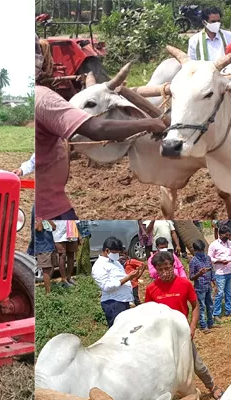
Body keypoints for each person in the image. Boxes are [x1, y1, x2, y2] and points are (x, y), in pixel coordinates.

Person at [34, 33, 167, 220]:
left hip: (42, 202)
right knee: (71, 241)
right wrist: (150, 123)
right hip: (52, 209)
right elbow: (96, 128)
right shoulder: (44, 98)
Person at [145, 251, 224, 400]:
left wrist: (192, 326)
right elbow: (148, 313)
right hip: (160, 337)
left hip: (182, 334)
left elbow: (195, 305)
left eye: (167, 268)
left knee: (196, 364)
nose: (164, 272)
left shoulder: (184, 284)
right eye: (160, 269)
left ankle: (212, 386)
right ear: (156, 270)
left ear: (173, 266)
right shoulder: (151, 289)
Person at [91, 236, 143, 327]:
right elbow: (107, 287)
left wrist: (133, 276)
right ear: (107, 251)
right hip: (113, 303)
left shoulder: (115, 262)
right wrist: (128, 277)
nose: (117, 255)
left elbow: (121, 279)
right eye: (115, 253)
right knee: (118, 331)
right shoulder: (99, 266)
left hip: (123, 300)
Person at [209, 225, 231, 319]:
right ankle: (216, 313)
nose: (228, 236)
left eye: (229, 235)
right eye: (226, 235)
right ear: (220, 234)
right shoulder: (214, 245)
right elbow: (210, 258)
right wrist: (219, 261)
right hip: (220, 272)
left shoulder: (230, 244)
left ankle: (228, 310)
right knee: (220, 293)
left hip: (230, 271)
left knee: (229, 293)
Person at [189, 240, 216, 333]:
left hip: (208, 285)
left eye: (202, 250)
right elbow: (191, 277)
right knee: (201, 306)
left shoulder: (207, 258)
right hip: (199, 287)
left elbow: (211, 270)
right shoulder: (193, 261)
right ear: (195, 251)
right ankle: (203, 325)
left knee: (210, 305)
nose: (201, 253)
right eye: (199, 251)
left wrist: (214, 282)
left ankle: (210, 322)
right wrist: (199, 274)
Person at [33, 207, 58, 295]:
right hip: (43, 248)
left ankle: (48, 286)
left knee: (52, 267)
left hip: (50, 246)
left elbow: (54, 227)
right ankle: (48, 292)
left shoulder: (47, 218)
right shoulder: (36, 218)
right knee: (46, 270)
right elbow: (39, 228)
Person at [51, 220, 79, 287]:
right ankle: (63, 279)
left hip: (71, 231)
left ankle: (69, 277)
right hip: (59, 232)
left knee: (71, 254)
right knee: (62, 255)